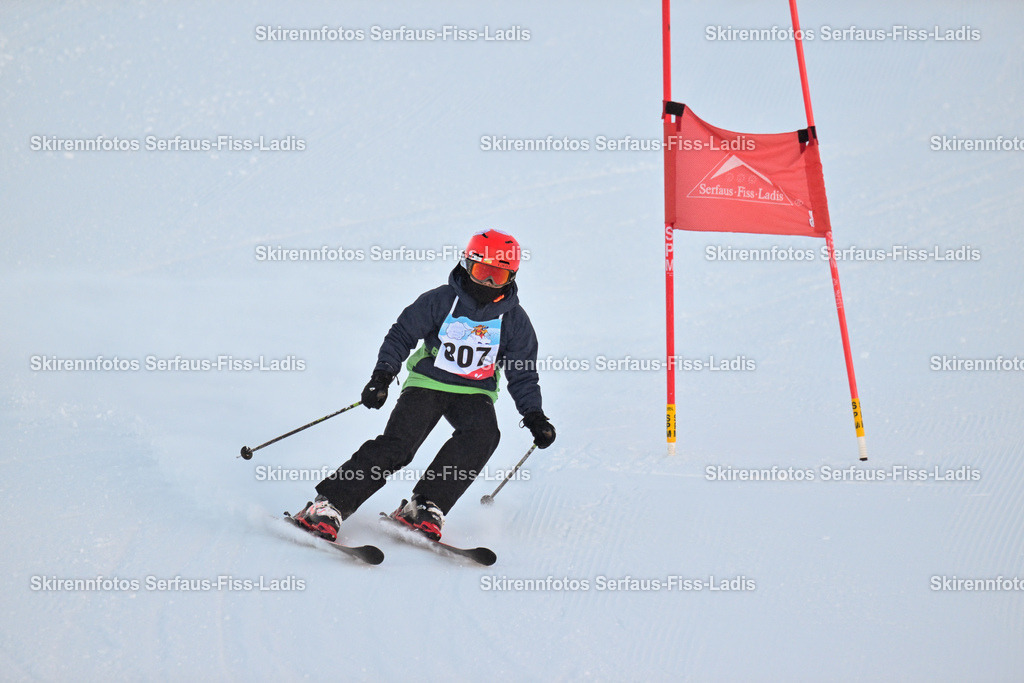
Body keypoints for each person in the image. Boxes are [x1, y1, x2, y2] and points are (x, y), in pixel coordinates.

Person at [292, 229, 555, 542]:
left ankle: (425, 505)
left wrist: (534, 415)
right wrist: (382, 376)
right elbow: (402, 333)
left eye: (496, 277)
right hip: (428, 382)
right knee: (399, 445)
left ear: (510, 278)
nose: (486, 283)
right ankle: (328, 504)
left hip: (475, 392)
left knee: (483, 435)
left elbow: (523, 372)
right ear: (467, 265)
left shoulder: (514, 321)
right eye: (482, 272)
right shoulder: (441, 301)